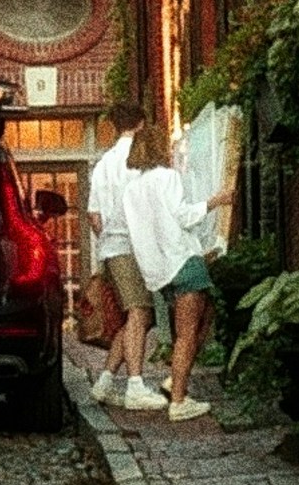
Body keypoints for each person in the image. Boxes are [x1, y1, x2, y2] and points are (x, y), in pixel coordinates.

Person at [118, 119, 231, 421]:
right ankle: (179, 400)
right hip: (182, 262)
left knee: (203, 316)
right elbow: (183, 216)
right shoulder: (168, 178)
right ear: (158, 148)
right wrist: (215, 202)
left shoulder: (131, 192)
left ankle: (174, 379)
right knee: (188, 333)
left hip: (160, 271)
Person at [84, 105, 153, 407]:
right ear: (140, 124)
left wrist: (108, 240)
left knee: (135, 316)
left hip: (111, 248)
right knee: (139, 311)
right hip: (133, 246)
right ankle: (135, 386)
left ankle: (105, 381)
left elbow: (94, 217)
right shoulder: (141, 161)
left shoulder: (103, 164)